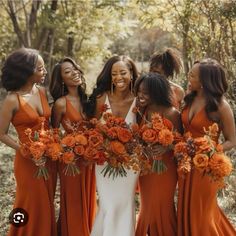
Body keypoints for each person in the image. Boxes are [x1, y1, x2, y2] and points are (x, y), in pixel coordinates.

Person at [0, 48, 57, 236]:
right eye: (40, 68)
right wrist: (23, 149)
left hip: (48, 158)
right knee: (28, 202)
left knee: (46, 202)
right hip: (26, 161)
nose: (44, 71)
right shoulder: (11, 100)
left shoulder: (41, 92)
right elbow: (1, 133)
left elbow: (47, 125)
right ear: (27, 71)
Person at [177, 58, 236, 236]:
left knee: (201, 214)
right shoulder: (189, 99)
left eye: (192, 75)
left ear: (204, 81)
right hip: (186, 166)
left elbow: (232, 140)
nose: (188, 77)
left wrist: (210, 149)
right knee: (185, 209)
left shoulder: (221, 106)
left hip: (206, 168)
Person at [85, 55, 139, 236]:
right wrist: (101, 143)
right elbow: (90, 126)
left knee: (125, 202)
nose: (118, 77)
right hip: (103, 161)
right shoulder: (101, 97)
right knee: (108, 203)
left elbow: (143, 131)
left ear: (131, 73)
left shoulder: (139, 100)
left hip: (130, 162)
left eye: (123, 72)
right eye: (114, 73)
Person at [49, 57, 96, 236]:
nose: (74, 72)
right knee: (75, 201)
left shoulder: (89, 100)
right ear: (61, 79)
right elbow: (53, 134)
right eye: (67, 72)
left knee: (88, 199)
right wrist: (66, 147)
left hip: (89, 159)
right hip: (71, 161)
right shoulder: (61, 104)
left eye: (75, 69)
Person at [134, 72, 182, 236]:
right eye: (139, 91)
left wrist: (167, 146)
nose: (140, 95)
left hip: (165, 170)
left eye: (145, 93)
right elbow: (137, 138)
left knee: (163, 205)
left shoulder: (173, 113)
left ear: (157, 92)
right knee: (147, 205)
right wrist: (143, 146)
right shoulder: (142, 109)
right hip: (146, 168)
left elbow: (180, 141)